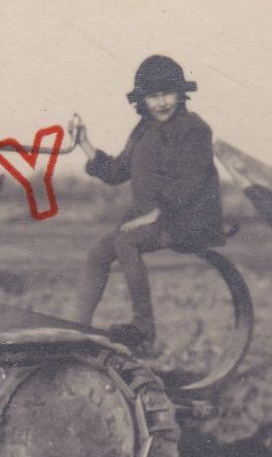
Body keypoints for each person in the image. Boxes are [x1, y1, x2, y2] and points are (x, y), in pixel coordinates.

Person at [76, 55, 223, 351]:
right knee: (98, 253)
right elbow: (118, 172)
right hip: (151, 218)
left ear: (181, 94)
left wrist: (153, 216)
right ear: (142, 100)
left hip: (187, 218)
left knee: (126, 242)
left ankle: (144, 328)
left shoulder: (195, 129)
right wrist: (85, 144)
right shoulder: (143, 130)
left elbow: (190, 185)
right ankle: (77, 329)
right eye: (153, 96)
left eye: (167, 94)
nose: (161, 103)